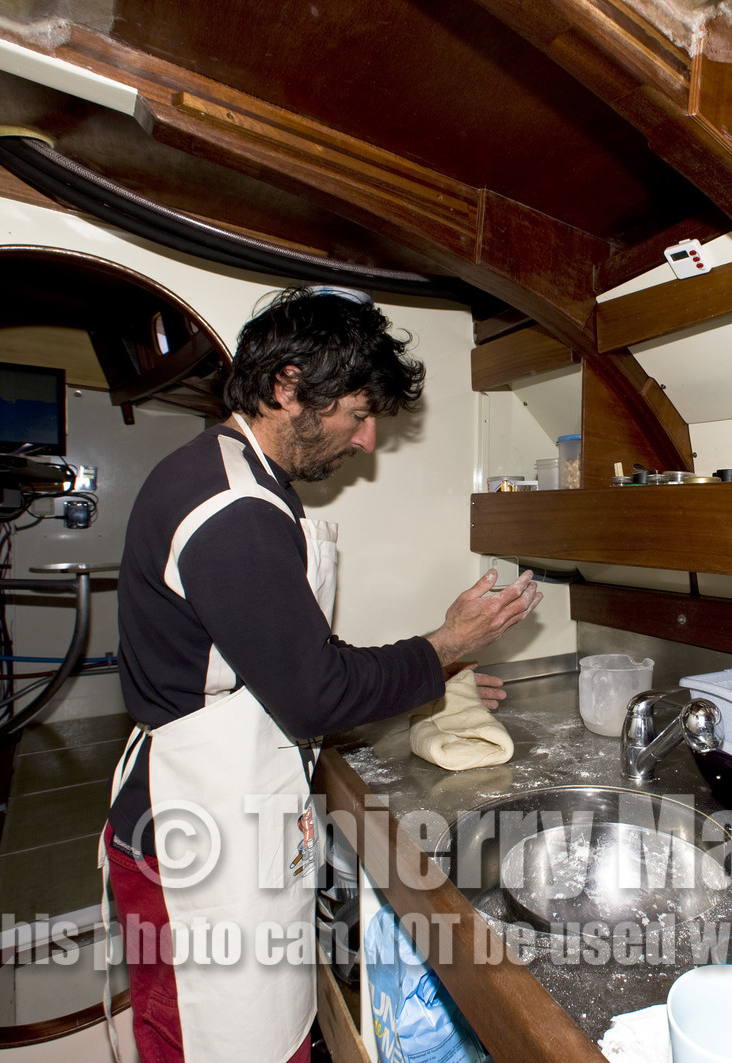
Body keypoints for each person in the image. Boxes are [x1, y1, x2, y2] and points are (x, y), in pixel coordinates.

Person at [100, 286, 541, 1063]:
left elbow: (281, 661)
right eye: (358, 413)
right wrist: (441, 646)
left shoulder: (232, 473)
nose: (367, 440)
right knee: (209, 1042)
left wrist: (438, 679)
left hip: (224, 808)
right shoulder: (233, 506)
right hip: (194, 834)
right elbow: (313, 692)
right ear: (287, 385)